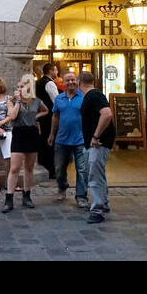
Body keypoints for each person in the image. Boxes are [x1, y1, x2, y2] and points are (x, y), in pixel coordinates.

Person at [3, 73, 48, 212]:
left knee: (29, 168)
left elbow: (46, 111)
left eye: (21, 86)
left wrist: (35, 117)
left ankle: (27, 196)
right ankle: (9, 198)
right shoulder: (11, 100)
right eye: (17, 87)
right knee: (15, 168)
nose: (19, 89)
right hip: (18, 133)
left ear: (28, 87)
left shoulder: (36, 101)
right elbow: (13, 116)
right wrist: (17, 101)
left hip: (32, 133)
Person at [79, 71, 115, 224]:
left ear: (80, 82)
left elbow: (107, 114)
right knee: (97, 172)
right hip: (95, 142)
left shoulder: (94, 95)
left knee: (94, 175)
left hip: (98, 143)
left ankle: (97, 210)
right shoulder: (92, 95)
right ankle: (103, 202)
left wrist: (96, 136)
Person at [48, 71, 88, 207]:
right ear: (63, 83)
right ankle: (62, 187)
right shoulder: (59, 99)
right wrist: (52, 134)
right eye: (68, 80)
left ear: (78, 81)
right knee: (59, 168)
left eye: (73, 80)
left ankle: (81, 196)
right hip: (62, 139)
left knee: (82, 169)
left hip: (81, 139)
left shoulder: (84, 97)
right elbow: (55, 116)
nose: (71, 82)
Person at [35, 63, 60, 179]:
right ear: (50, 71)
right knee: (50, 140)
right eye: (56, 70)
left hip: (41, 116)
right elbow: (56, 101)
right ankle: (51, 169)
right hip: (50, 116)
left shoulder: (39, 82)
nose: (57, 72)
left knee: (44, 140)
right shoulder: (50, 83)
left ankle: (44, 164)